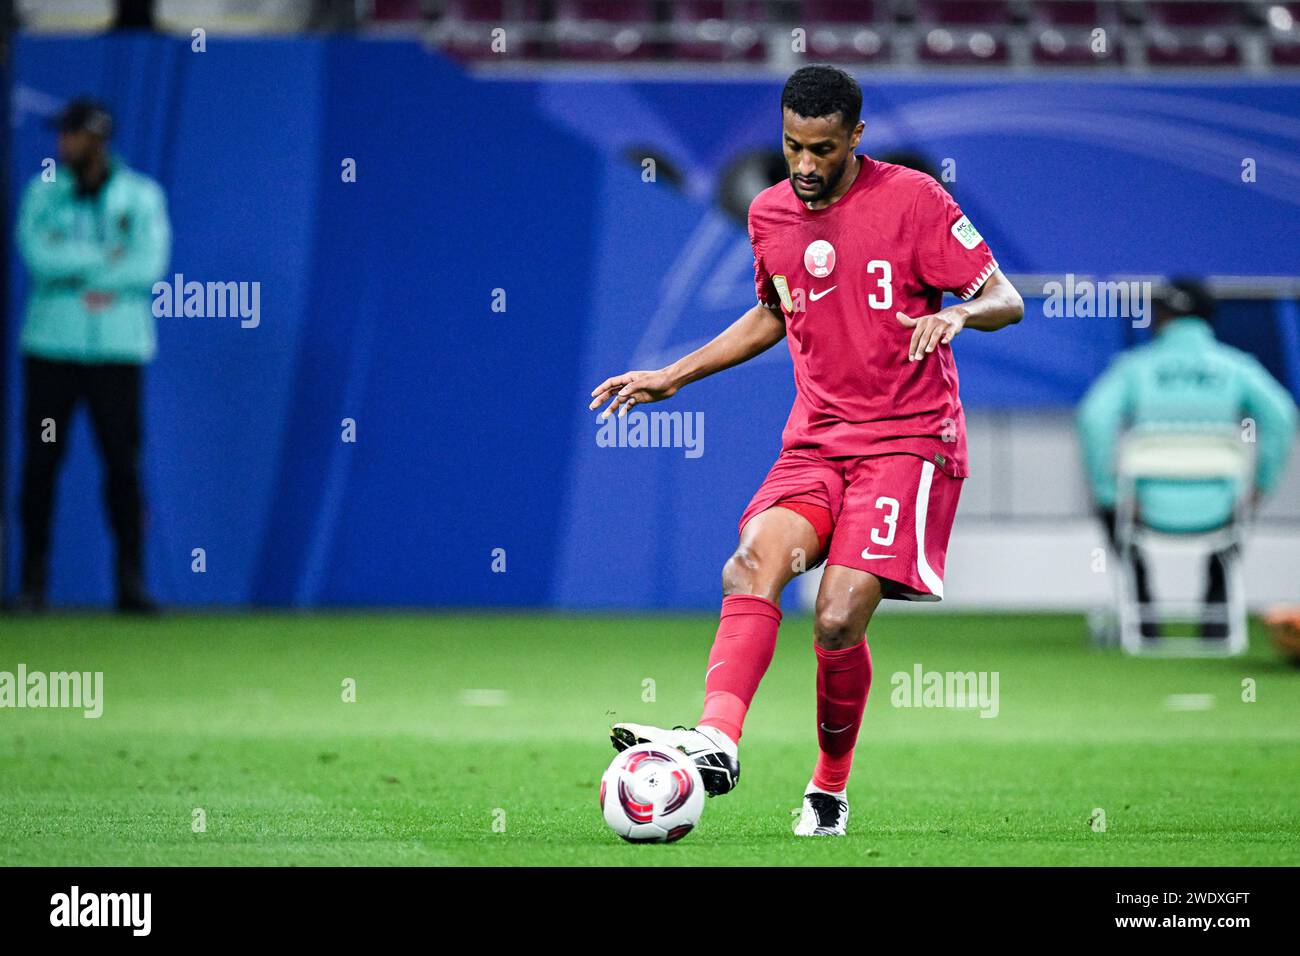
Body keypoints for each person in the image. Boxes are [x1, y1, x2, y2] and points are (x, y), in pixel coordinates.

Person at [588, 66, 1022, 836]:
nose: (806, 165)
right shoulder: (770, 214)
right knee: (753, 560)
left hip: (908, 440)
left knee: (837, 616)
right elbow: (771, 314)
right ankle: (717, 741)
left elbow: (1003, 297)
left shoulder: (914, 200)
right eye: (793, 146)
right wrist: (672, 375)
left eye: (822, 149)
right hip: (818, 442)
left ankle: (828, 786)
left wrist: (958, 318)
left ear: (856, 136)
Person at [10, 97, 171, 613]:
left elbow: (147, 266)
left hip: (117, 354)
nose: (64, 145)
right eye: (62, 135)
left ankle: (131, 584)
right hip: (52, 349)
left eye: (74, 135)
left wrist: (75, 269)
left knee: (122, 466)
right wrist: (105, 262)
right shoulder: (42, 193)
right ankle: (32, 584)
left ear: (97, 140)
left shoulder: (141, 196)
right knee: (41, 463)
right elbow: (39, 257)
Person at [1078, 278, 1296, 638]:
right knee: (1240, 502)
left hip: (1144, 507)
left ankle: (1143, 608)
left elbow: (1093, 420)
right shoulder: (1237, 367)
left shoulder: (1134, 367)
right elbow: (1282, 415)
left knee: (1106, 502)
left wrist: (1111, 495)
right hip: (1220, 508)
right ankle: (1217, 609)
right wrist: (1261, 486)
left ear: (1161, 316)